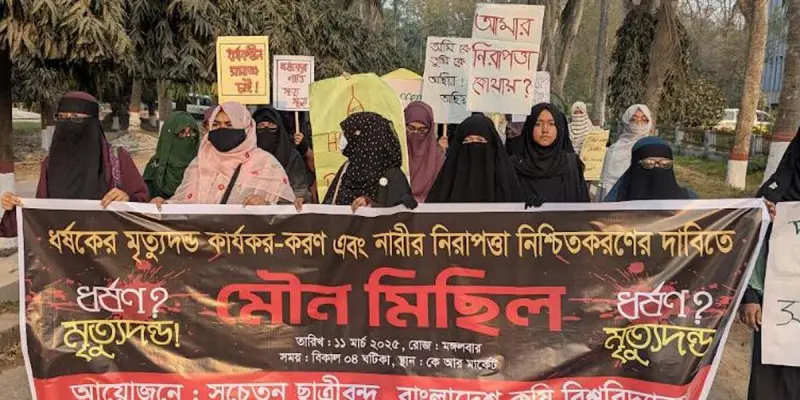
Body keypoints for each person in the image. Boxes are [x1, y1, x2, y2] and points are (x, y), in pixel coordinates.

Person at [1, 91, 149, 236]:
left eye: (76, 118)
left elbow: (144, 203)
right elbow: (40, 215)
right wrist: (14, 208)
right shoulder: (50, 164)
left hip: (109, 246)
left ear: (93, 123)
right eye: (62, 117)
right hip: (62, 248)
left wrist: (128, 198)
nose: (67, 124)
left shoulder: (116, 158)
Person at [741, 129, 799, 400]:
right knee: (772, 386)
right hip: (778, 312)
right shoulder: (773, 197)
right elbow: (750, 247)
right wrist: (751, 297)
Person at [152, 102, 295, 206]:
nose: (222, 129)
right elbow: (184, 203)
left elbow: (288, 212)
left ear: (246, 128)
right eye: (216, 124)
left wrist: (266, 205)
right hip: (205, 239)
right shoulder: (200, 162)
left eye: (229, 125)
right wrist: (165, 205)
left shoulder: (265, 164)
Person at [322, 112, 415, 211]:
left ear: (365, 139)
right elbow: (328, 206)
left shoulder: (394, 176)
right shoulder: (348, 168)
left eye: (347, 135)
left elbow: (401, 215)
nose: (342, 138)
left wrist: (371, 205)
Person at [427, 114, 524, 203]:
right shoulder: (446, 183)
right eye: (467, 141)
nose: (473, 145)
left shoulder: (505, 183)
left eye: (480, 140)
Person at [511, 103, 589, 204]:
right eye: (538, 124)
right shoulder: (514, 165)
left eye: (551, 124)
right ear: (529, 127)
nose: (545, 130)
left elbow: (583, 206)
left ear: (559, 128)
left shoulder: (571, 164)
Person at [604, 137, 697, 201]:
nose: (657, 169)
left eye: (665, 164)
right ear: (635, 166)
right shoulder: (616, 201)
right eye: (648, 163)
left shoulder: (689, 200)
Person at [252, 106, 311, 202]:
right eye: (261, 126)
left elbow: (300, 191)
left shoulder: (291, 156)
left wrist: (272, 203)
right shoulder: (245, 156)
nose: (266, 129)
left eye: (271, 126)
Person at [142, 112, 201, 200]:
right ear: (168, 138)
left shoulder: (202, 170)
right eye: (182, 133)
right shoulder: (153, 169)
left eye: (192, 133)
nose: (187, 138)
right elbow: (141, 200)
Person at [600, 104, 653, 198]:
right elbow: (607, 183)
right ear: (626, 121)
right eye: (634, 119)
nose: (639, 123)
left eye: (644, 120)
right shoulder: (614, 149)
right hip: (614, 198)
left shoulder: (651, 148)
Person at [404, 101, 444, 203]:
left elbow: (439, 191)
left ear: (430, 130)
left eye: (422, 130)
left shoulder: (437, 156)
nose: (415, 133)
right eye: (411, 128)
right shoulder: (395, 151)